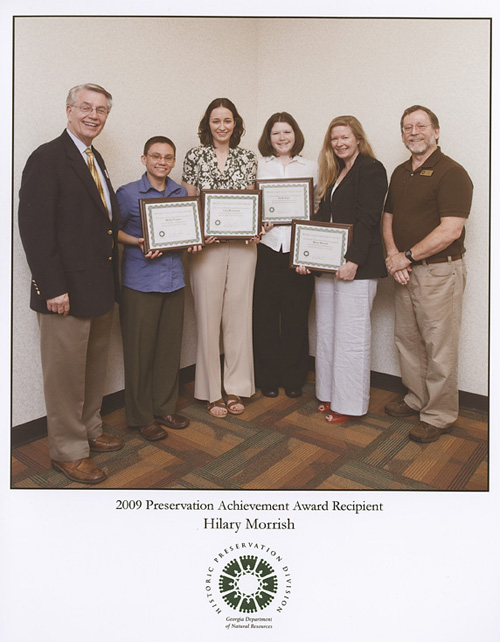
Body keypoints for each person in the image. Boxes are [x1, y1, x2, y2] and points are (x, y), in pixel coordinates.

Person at [18, 83, 123, 484]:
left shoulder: (96, 160)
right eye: (85, 107)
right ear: (68, 110)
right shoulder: (47, 158)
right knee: (64, 378)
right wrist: (52, 287)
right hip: (64, 293)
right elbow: (34, 228)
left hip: (98, 288)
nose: (93, 115)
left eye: (101, 110)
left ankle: (90, 431)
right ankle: (67, 451)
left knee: (93, 369)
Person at [382, 105, 473, 443]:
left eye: (421, 126)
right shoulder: (400, 172)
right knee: (408, 341)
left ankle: (438, 415)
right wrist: (393, 256)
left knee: (439, 346)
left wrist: (406, 256)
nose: (414, 132)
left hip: (438, 274)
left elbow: (450, 230)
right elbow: (388, 216)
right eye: (407, 127)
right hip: (404, 270)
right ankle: (417, 399)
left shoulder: (452, 173)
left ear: (436, 131)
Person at [182, 98, 257, 418]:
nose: (222, 126)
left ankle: (236, 386)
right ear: (207, 124)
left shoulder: (248, 157)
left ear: (236, 124)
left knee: (239, 319)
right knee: (208, 319)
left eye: (228, 120)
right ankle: (211, 392)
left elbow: (254, 199)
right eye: (216, 120)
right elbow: (189, 203)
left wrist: (256, 227)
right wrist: (198, 232)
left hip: (244, 249)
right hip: (207, 249)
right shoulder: (194, 156)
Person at [313, 115, 387, 423]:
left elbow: (369, 218)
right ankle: (330, 394)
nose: (340, 143)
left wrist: (353, 261)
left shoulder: (371, 169)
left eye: (345, 137)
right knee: (327, 332)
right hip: (329, 266)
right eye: (334, 138)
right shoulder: (336, 172)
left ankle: (350, 405)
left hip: (357, 265)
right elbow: (322, 218)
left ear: (358, 138)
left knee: (351, 337)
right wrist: (308, 257)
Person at [116, 136, 190, 442]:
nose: (162, 162)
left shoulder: (180, 192)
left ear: (174, 161)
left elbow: (187, 229)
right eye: (156, 156)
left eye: (168, 157)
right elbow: (111, 231)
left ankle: (164, 407)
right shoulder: (127, 193)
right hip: (140, 283)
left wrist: (193, 238)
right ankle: (141, 417)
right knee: (139, 352)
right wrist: (137, 242)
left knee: (168, 349)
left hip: (174, 280)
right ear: (144, 159)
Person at [254, 112, 317, 398]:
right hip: (265, 248)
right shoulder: (257, 166)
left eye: (287, 132)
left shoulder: (312, 166)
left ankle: (294, 378)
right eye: (276, 133)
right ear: (268, 137)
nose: (282, 138)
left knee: (296, 316)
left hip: (298, 250)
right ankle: (267, 377)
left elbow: (317, 207)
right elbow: (248, 203)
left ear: (296, 134)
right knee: (264, 316)